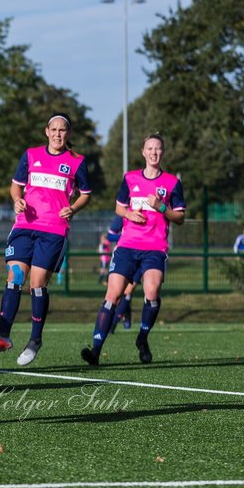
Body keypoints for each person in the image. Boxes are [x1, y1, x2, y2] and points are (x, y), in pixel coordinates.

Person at [0, 114, 91, 367]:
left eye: (62, 130)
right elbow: (15, 186)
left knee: (37, 284)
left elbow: (86, 194)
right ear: (46, 131)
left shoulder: (77, 162)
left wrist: (73, 208)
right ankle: (3, 336)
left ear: (68, 133)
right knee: (15, 278)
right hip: (24, 226)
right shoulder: (31, 155)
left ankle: (35, 340)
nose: (57, 134)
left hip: (53, 230)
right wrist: (17, 200)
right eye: (53, 129)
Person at [81, 133, 185, 366]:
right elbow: (119, 209)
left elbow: (179, 217)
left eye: (158, 149)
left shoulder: (172, 183)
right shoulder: (130, 179)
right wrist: (129, 214)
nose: (154, 152)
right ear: (143, 152)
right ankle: (95, 350)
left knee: (152, 291)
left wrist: (161, 208)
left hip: (155, 248)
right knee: (113, 294)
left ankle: (142, 338)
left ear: (163, 152)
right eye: (150, 148)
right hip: (127, 245)